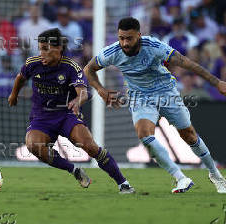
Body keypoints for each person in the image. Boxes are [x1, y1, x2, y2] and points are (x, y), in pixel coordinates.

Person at [84, 17, 226, 194]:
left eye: (129, 38)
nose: (124, 43)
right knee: (144, 135)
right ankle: (180, 178)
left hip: (166, 92)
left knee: (189, 135)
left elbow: (188, 63)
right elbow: (88, 69)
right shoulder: (112, 52)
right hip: (140, 96)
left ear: (139, 36)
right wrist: (101, 90)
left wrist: (217, 82)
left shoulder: (154, 47)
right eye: (121, 38)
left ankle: (214, 173)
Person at [8, 28, 134, 194]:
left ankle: (123, 183)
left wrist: (77, 100)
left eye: (46, 49)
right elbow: (20, 78)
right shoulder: (33, 63)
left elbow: (83, 92)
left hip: (67, 115)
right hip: (42, 117)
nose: (42, 53)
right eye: (40, 48)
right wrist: (13, 95)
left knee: (90, 147)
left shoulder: (71, 67)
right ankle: (73, 170)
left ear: (59, 48)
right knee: (33, 145)